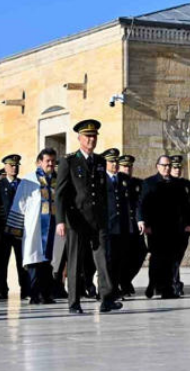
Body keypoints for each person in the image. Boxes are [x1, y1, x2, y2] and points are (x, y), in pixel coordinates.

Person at [55, 119, 122, 314]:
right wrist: (60, 220)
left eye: (94, 136)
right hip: (77, 219)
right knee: (75, 261)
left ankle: (106, 298)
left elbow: (102, 191)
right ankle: (74, 302)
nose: (91, 139)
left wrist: (106, 215)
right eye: (87, 136)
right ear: (79, 138)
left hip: (98, 219)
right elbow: (60, 193)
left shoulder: (100, 161)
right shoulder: (69, 161)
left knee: (103, 259)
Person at [7, 148, 61, 304]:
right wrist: (16, 229)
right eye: (47, 161)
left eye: (53, 161)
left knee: (49, 262)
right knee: (34, 260)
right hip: (34, 229)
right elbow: (19, 203)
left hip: (54, 228)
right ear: (39, 162)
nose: (50, 164)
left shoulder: (58, 180)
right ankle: (34, 294)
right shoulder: (29, 180)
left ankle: (47, 294)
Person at [138, 155, 190, 299]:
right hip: (156, 228)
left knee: (171, 259)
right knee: (157, 258)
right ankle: (153, 283)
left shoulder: (177, 184)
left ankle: (167, 289)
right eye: (164, 165)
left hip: (173, 228)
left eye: (169, 165)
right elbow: (142, 204)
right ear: (157, 166)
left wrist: (188, 223)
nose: (167, 168)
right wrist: (143, 222)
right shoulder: (149, 182)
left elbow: (185, 206)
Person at [0, 154, 30, 301]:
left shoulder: (23, 184)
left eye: (16, 166)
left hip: (20, 229)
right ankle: (1, 290)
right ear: (5, 167)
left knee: (22, 261)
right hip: (4, 230)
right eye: (11, 165)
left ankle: (25, 290)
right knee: (2, 262)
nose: (14, 168)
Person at [101, 148, 134, 297]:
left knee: (119, 258)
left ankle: (115, 287)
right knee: (107, 259)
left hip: (122, 225)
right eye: (111, 161)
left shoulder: (123, 179)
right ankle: (107, 289)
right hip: (107, 225)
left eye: (116, 161)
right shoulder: (100, 179)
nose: (114, 164)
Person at [117, 155, 146, 295]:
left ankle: (126, 280)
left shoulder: (137, 183)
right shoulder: (114, 182)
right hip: (120, 226)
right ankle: (122, 283)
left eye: (129, 166)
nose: (127, 169)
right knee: (122, 255)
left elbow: (140, 203)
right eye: (124, 166)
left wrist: (141, 219)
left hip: (134, 225)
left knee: (140, 252)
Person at [169, 155, 190, 296]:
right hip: (169, 228)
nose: (177, 170)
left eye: (179, 167)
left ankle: (173, 283)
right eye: (174, 167)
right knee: (173, 258)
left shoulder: (186, 185)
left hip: (183, 228)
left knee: (177, 257)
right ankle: (175, 284)